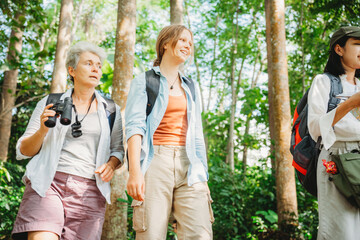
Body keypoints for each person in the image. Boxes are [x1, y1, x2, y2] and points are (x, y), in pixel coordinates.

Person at [11, 41, 124, 240]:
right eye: (88, 63)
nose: (95, 68)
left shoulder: (110, 109)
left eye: (98, 65)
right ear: (72, 70)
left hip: (89, 190)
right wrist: (42, 130)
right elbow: (23, 150)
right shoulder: (50, 102)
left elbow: (118, 150)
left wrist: (111, 165)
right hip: (48, 183)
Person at [125, 24, 214, 240]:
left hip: (190, 165)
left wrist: (203, 177)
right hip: (156, 162)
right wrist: (135, 172)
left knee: (200, 234)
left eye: (190, 43)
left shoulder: (191, 86)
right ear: (165, 43)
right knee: (151, 234)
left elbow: (197, 135)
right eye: (183, 40)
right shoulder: (145, 81)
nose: (188, 46)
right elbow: (135, 128)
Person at [308, 26, 360, 239]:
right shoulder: (324, 82)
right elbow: (315, 127)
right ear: (339, 49)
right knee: (340, 231)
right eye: (357, 44)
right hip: (335, 161)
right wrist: (349, 104)